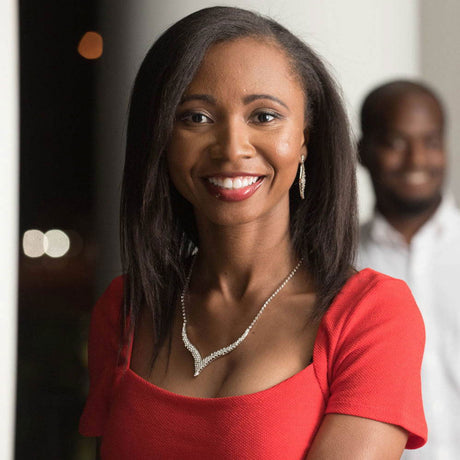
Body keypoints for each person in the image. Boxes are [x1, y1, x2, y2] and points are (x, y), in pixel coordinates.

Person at [79, 8, 427, 459]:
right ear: (161, 137)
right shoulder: (126, 309)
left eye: (264, 116)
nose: (232, 147)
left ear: (305, 138)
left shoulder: (371, 317)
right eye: (195, 118)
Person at [358, 80, 460, 459]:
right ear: (362, 151)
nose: (417, 160)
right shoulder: (337, 266)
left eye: (431, 142)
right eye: (396, 142)